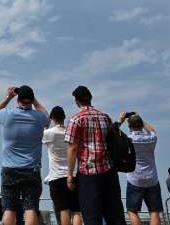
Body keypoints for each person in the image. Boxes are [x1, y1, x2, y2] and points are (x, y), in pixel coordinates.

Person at [65, 86, 126, 225]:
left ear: (76, 101)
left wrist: (70, 175)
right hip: (109, 171)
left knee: (92, 216)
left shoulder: (76, 120)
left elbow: (72, 148)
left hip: (88, 173)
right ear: (91, 98)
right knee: (115, 215)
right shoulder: (105, 117)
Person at [0, 85, 49, 225]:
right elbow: (47, 116)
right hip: (32, 169)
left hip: (10, 169)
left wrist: (8, 97)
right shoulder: (39, 117)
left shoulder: (8, 115)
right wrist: (34, 100)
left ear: (18, 99)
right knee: (31, 207)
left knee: (9, 208)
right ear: (31, 99)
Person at [117, 113, 162, 225]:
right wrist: (141, 119)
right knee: (154, 211)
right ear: (141, 125)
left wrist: (120, 120)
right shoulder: (151, 138)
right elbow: (152, 130)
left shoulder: (128, 139)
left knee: (132, 211)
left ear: (129, 126)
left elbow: (113, 135)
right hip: (152, 178)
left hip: (135, 178)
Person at [43, 106, 82, 225]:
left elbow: (41, 135)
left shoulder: (48, 133)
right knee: (76, 211)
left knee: (63, 210)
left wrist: (46, 124)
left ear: (52, 118)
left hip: (56, 176)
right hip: (74, 174)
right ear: (64, 117)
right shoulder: (71, 133)